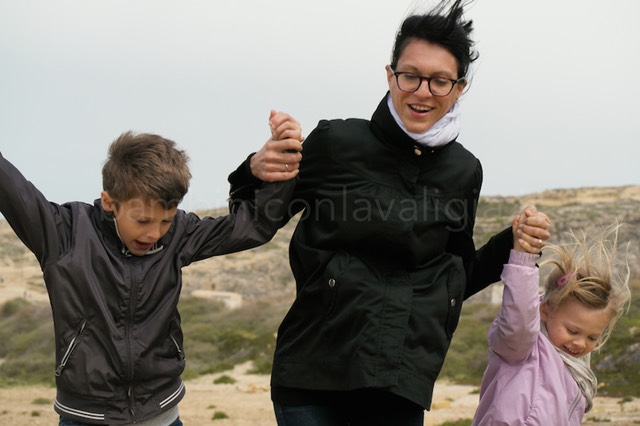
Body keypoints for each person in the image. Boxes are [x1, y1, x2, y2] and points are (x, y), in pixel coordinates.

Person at [228, 1, 551, 425]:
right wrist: (256, 169)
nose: (422, 91)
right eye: (411, 76)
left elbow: (457, 272)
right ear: (389, 75)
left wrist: (512, 243)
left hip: (402, 381)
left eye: (439, 81)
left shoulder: (464, 171)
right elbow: (250, 217)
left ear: (459, 87)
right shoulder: (336, 142)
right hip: (313, 373)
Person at [0, 111, 302, 425]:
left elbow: (252, 225)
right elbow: (11, 190)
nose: (154, 233)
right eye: (143, 220)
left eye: (166, 220)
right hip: (85, 416)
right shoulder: (64, 233)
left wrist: (280, 162)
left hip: (162, 415)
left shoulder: (179, 234)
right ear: (109, 202)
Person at [472, 222, 632, 426]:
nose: (581, 343)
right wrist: (524, 258)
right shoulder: (523, 347)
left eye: (592, 337)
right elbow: (519, 315)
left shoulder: (575, 370)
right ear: (545, 311)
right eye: (573, 331)